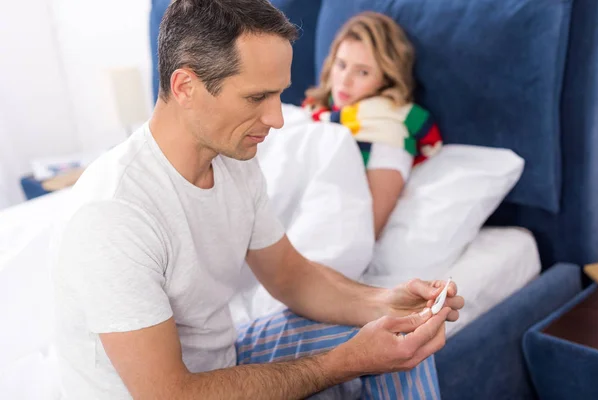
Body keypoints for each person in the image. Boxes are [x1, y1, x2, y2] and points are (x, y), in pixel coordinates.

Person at [51, 1, 464, 399]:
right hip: (176, 392)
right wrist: (344, 361)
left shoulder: (232, 156)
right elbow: (171, 394)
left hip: (224, 359)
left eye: (278, 96)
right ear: (185, 86)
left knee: (402, 338)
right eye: (256, 98)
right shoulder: (114, 213)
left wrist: (384, 302)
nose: (277, 119)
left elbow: (290, 275)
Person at [304, 12, 443, 239]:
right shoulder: (314, 112)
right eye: (341, 65)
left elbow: (362, 234)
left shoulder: (388, 137)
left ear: (386, 79)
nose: (344, 80)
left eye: (362, 72)